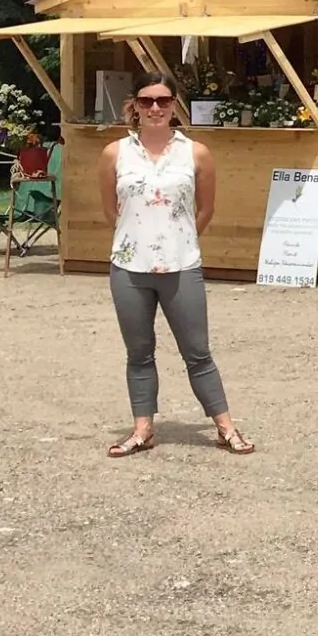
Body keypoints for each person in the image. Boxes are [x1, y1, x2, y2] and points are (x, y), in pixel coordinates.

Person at [97, 73, 253, 458]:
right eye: (147, 101)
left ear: (174, 105)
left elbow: (206, 208)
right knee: (139, 352)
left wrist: (179, 237)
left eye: (164, 101)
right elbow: (108, 210)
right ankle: (142, 427)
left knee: (197, 351)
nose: (155, 109)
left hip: (181, 265)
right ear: (134, 104)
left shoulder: (195, 152)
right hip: (130, 267)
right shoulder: (115, 153)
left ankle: (225, 427)